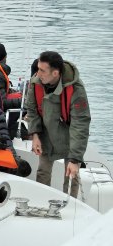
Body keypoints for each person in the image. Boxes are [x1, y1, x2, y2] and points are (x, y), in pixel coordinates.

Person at [26, 51, 91, 197]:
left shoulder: (76, 90)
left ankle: (72, 205)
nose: (38, 73)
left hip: (69, 135)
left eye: (42, 70)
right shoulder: (35, 82)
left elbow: (80, 124)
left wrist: (75, 159)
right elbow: (32, 109)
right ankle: (41, 200)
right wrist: (35, 134)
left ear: (55, 73)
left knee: (71, 174)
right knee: (43, 171)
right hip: (46, 133)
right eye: (38, 68)